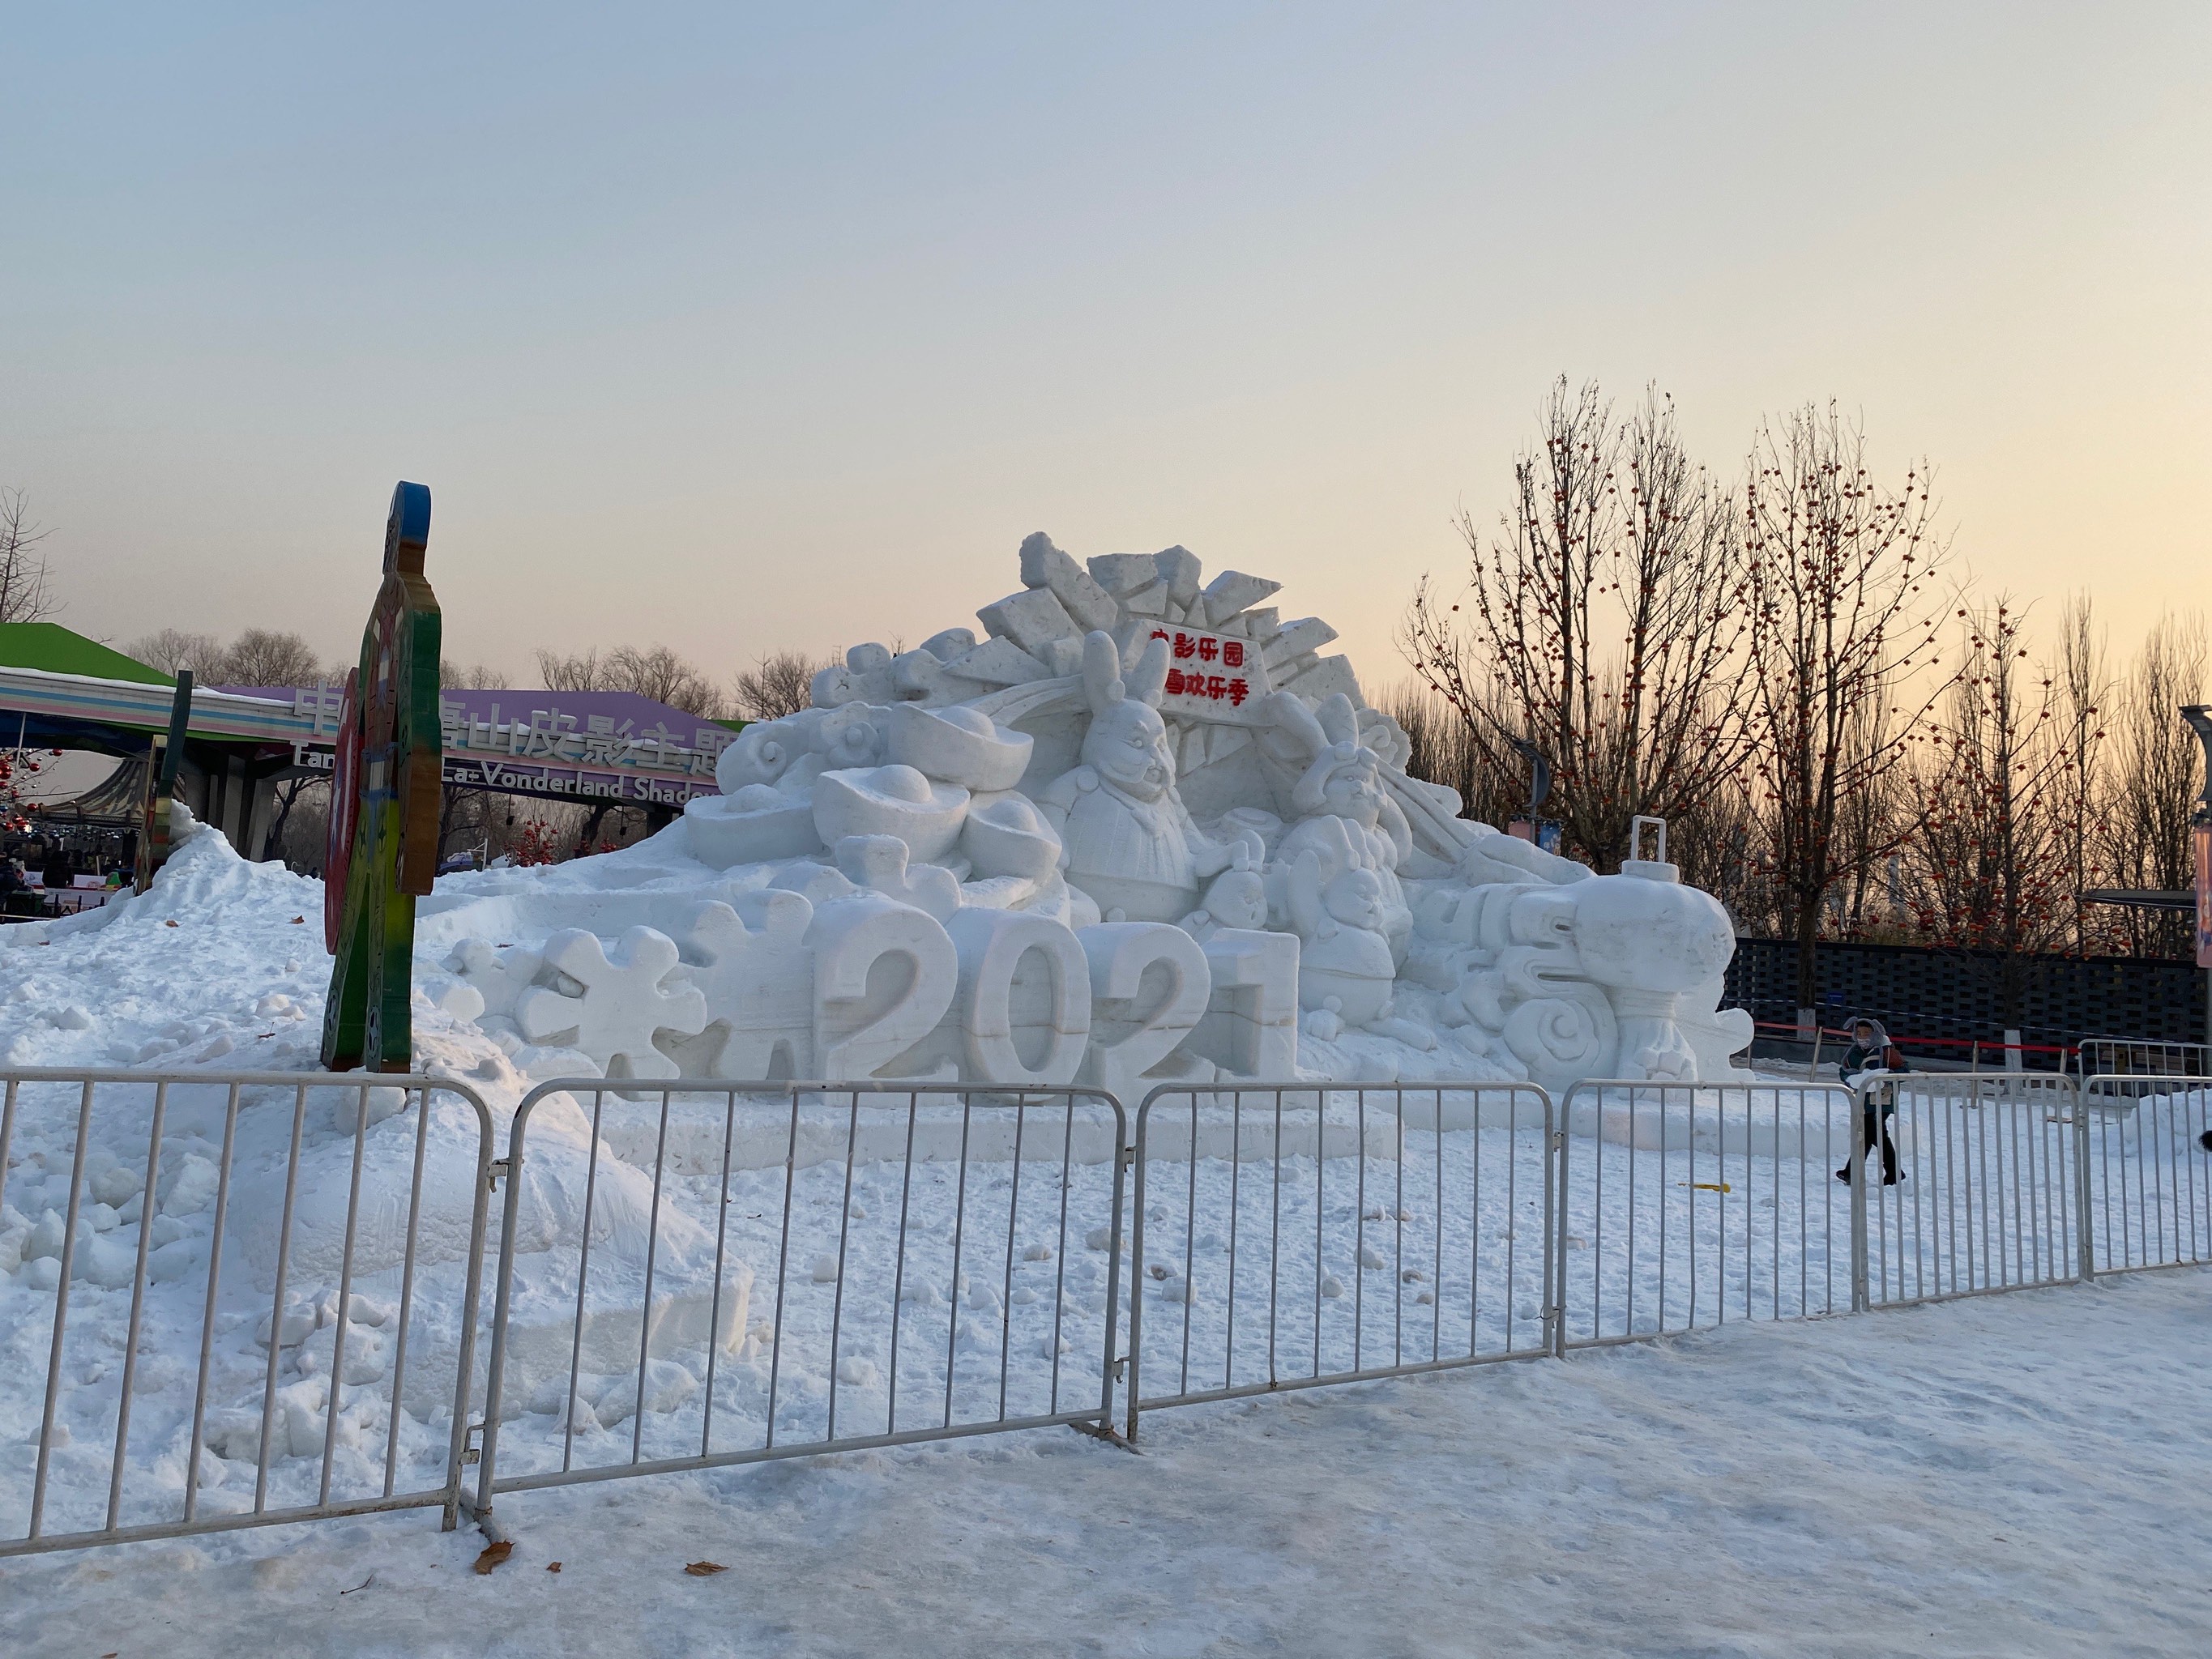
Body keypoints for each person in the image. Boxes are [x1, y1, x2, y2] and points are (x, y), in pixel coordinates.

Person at [1834, 1017, 1905, 1185]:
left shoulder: (1887, 1052)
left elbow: (1904, 1070)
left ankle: (1888, 1172)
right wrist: (1851, 1079)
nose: (1862, 1037)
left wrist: (1885, 1077)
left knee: (1873, 1133)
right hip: (1863, 1101)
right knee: (1870, 1135)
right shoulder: (1854, 1052)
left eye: (1867, 1033)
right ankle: (1856, 1172)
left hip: (1883, 1100)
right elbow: (1843, 1070)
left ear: (1876, 1033)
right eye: (1859, 1033)